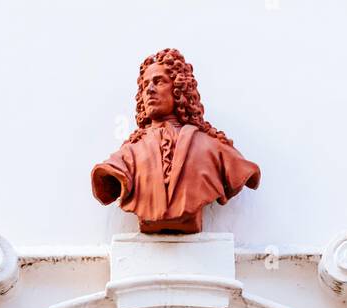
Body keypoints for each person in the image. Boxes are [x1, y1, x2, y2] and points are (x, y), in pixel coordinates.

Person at [91, 47, 261, 234]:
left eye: (159, 81)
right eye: (145, 84)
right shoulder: (127, 155)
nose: (149, 90)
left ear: (179, 89)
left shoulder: (213, 147)